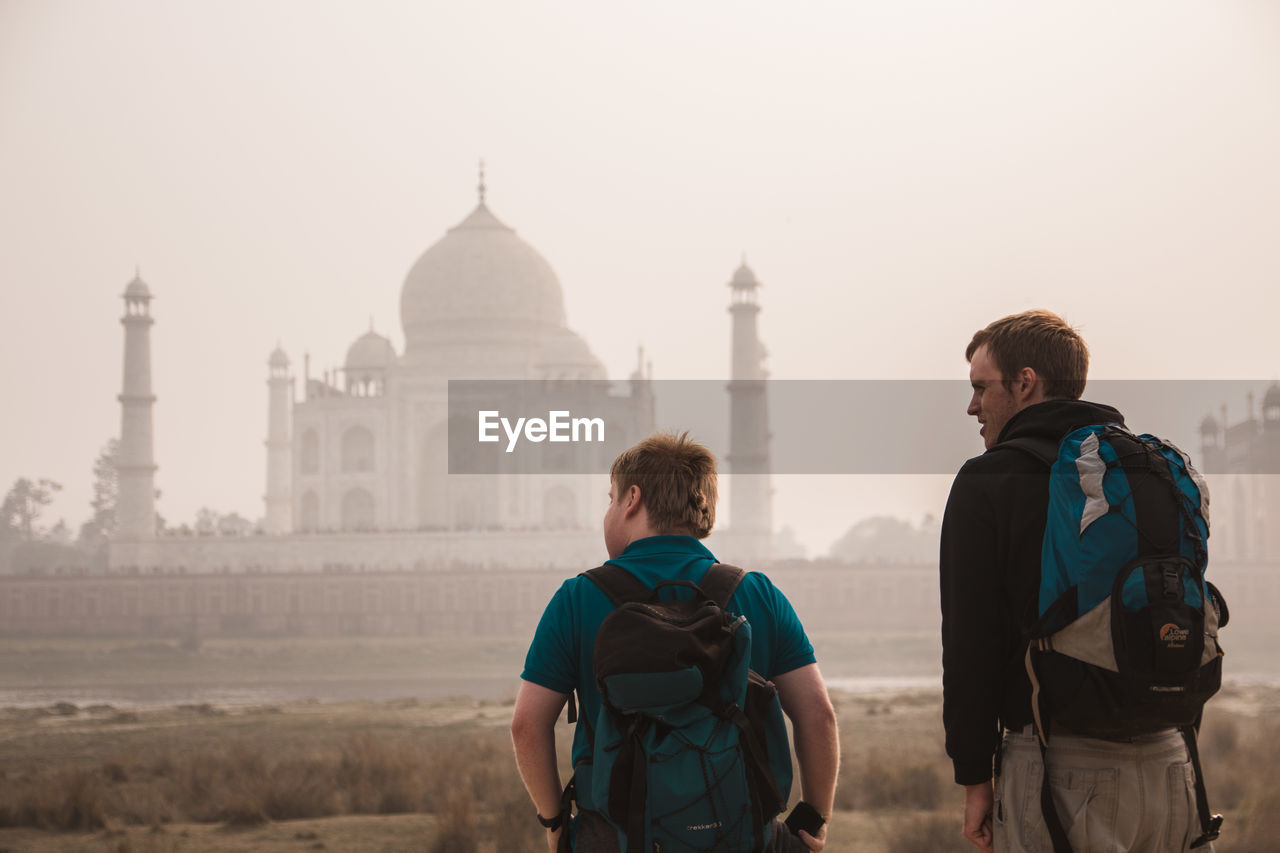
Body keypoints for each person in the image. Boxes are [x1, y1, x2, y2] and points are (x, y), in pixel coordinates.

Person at [940, 309, 1213, 852]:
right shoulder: (1147, 470)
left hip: (1059, 769)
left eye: (980, 388)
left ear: (1024, 382)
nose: (972, 406)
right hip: (1173, 764)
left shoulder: (989, 479)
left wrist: (974, 778)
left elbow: (970, 644)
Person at [512, 432, 839, 852]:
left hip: (615, 837)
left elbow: (526, 726)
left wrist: (555, 819)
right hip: (741, 834)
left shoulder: (576, 600)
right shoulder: (758, 593)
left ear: (632, 499)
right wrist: (814, 817)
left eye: (609, 498)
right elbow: (818, 715)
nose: (608, 511)